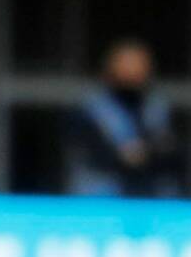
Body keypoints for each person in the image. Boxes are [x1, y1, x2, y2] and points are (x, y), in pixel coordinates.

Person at [66, 39, 182, 199]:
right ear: (110, 67)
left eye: (139, 64)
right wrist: (134, 155)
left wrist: (140, 154)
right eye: (126, 64)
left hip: (151, 202)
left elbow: (171, 155)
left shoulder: (158, 107)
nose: (133, 71)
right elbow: (96, 155)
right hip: (102, 204)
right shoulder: (89, 108)